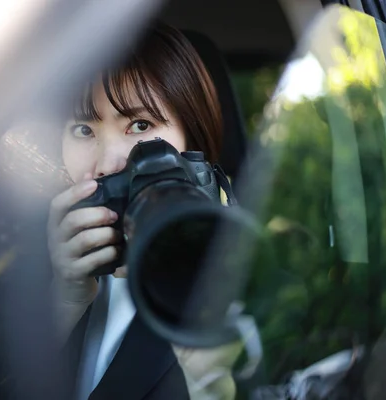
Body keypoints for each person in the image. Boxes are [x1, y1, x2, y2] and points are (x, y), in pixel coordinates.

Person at [48, 23, 242, 400]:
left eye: (140, 125)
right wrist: (61, 305)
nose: (106, 164)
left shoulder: (245, 282)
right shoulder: (31, 273)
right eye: (83, 130)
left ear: (193, 147)